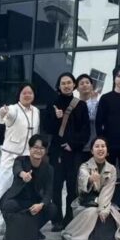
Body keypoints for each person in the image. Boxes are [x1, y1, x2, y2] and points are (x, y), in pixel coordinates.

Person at [0, 84, 41, 237]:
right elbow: (2, 116)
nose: (27, 95)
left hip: (27, 157)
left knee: (26, 190)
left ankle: (24, 222)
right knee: (3, 187)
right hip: (11, 155)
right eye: (24, 93)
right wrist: (2, 112)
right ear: (19, 95)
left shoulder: (36, 111)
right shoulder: (13, 109)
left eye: (30, 92)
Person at [62, 137, 120, 240]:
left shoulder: (112, 169)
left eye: (103, 146)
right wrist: (90, 180)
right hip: (86, 203)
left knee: (111, 213)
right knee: (92, 213)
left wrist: (103, 209)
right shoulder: (85, 166)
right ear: (92, 151)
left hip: (105, 202)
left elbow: (108, 190)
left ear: (107, 151)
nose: (100, 149)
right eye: (97, 146)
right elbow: (82, 186)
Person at [0, 134, 58, 240]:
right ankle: (12, 231)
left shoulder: (48, 169)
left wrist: (41, 205)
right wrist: (23, 174)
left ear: (45, 151)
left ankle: (32, 229)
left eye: (42, 148)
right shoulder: (21, 160)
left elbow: (48, 192)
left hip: (34, 202)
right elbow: (16, 169)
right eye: (35, 147)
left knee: (52, 208)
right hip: (18, 199)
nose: (38, 150)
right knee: (9, 205)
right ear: (30, 148)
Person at [46, 72, 90, 230]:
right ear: (59, 86)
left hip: (74, 153)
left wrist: (73, 144)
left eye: (69, 82)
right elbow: (47, 128)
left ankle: (69, 218)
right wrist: (55, 118)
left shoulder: (81, 105)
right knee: (56, 187)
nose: (66, 85)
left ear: (74, 85)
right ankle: (56, 220)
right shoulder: (53, 104)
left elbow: (85, 131)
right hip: (57, 153)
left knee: (72, 187)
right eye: (63, 83)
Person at [76, 74, 100, 160]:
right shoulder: (74, 104)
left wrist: (94, 101)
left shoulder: (97, 103)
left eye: (87, 82)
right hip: (78, 145)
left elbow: (93, 117)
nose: (85, 85)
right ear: (77, 88)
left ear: (92, 86)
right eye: (81, 83)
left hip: (94, 145)